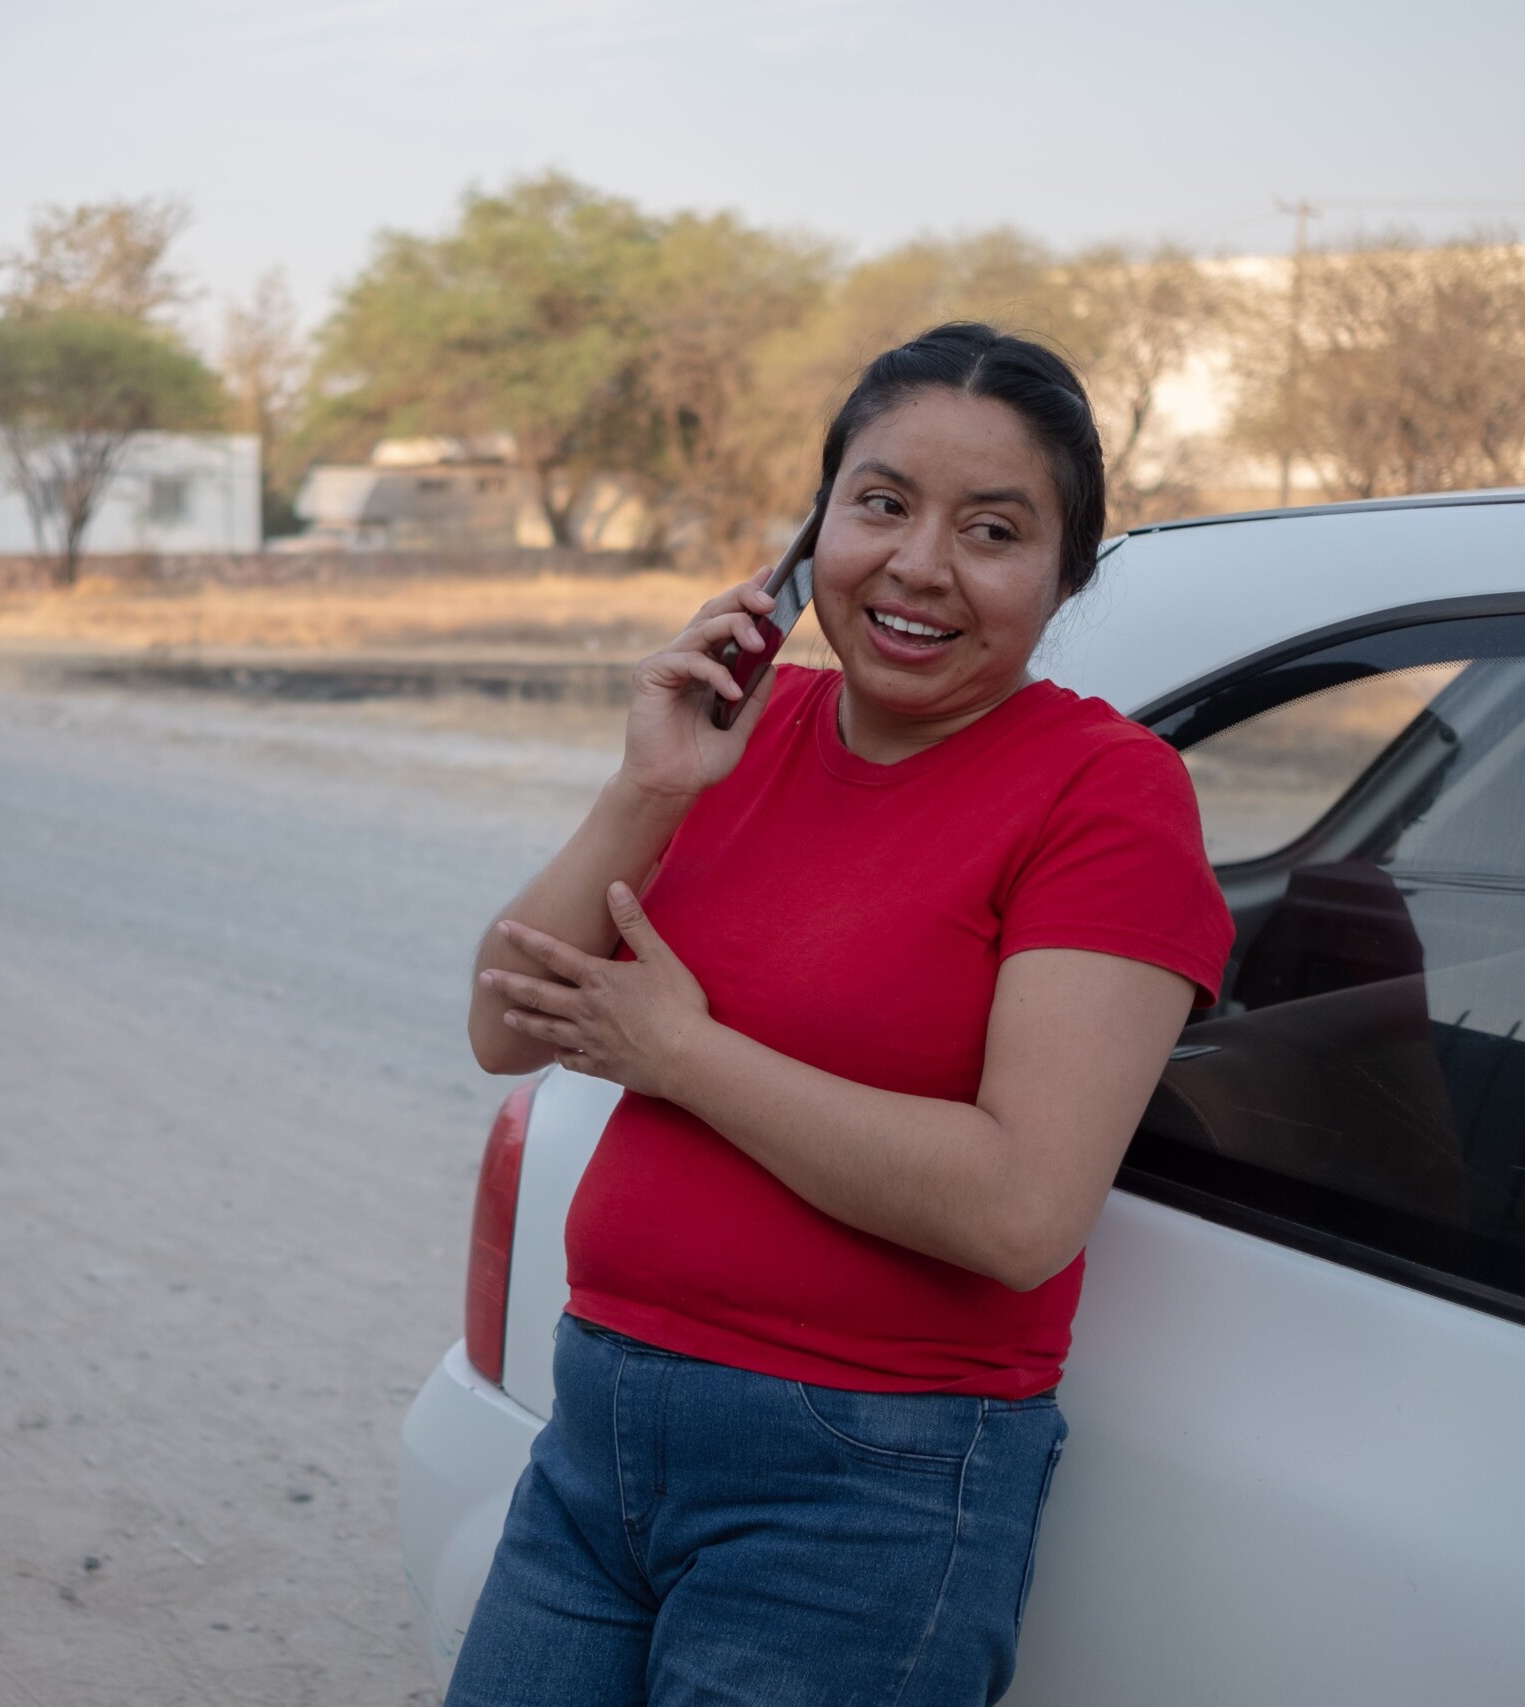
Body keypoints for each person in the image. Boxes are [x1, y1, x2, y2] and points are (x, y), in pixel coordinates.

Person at [451, 323, 1234, 1707]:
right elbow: (505, 1021)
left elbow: (1020, 1208)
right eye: (881, 505)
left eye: (993, 530)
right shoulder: (744, 730)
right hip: (599, 1439)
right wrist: (651, 784)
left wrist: (682, 1054)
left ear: (1066, 578)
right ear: (811, 537)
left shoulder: (1101, 793)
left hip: (861, 1494)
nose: (921, 565)